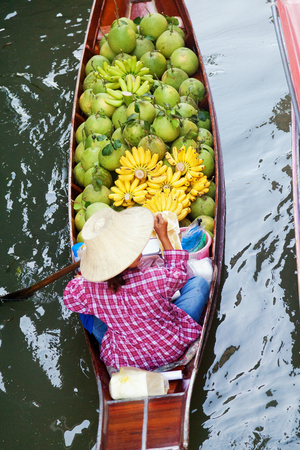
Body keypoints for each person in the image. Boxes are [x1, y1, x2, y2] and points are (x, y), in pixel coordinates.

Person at [63, 207, 210, 371]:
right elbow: (179, 274)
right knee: (199, 284)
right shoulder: (153, 277)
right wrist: (163, 236)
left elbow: (70, 298)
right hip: (171, 347)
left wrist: (82, 278)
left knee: (91, 316)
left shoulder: (88, 289)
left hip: (129, 359)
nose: (139, 249)